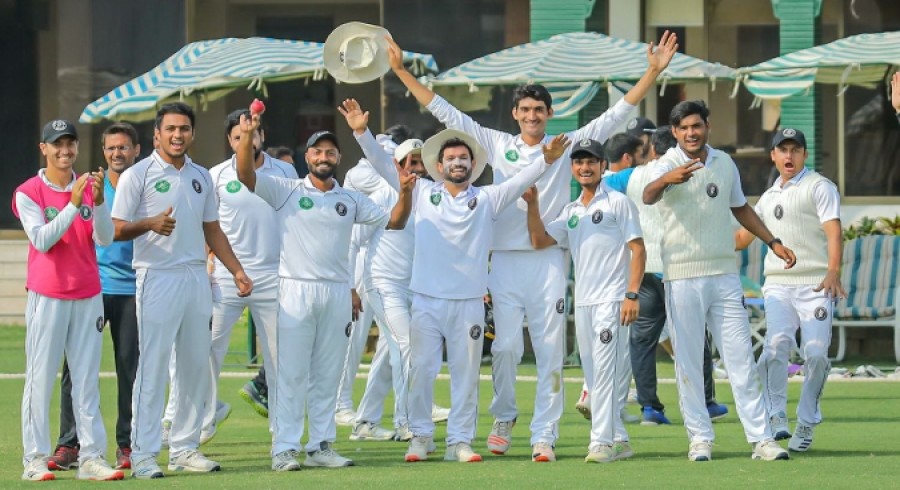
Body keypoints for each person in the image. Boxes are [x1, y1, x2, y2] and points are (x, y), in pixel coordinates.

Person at [385, 31, 679, 462]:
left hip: (548, 260)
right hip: (502, 262)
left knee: (548, 350)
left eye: (539, 110)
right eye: (524, 110)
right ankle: (504, 417)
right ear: (515, 114)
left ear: (549, 113)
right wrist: (399, 71)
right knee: (504, 347)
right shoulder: (496, 143)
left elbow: (619, 114)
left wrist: (652, 71)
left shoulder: (567, 145)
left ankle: (546, 433)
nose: (532, 117)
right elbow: (443, 110)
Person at [340, 97, 567, 464]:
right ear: (439, 165)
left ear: (473, 165)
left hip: (469, 302)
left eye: (464, 158)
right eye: (451, 159)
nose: (458, 162)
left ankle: (460, 441)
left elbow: (525, 177)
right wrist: (361, 131)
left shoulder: (489, 199)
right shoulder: (424, 194)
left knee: (465, 376)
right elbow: (385, 166)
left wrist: (548, 159)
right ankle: (420, 437)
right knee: (422, 371)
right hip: (427, 300)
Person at [234, 112, 413, 471]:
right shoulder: (286, 191)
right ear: (308, 157)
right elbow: (245, 176)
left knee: (328, 373)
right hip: (295, 291)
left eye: (330, 152)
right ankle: (284, 448)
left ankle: (320, 445)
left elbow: (395, 221)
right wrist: (247, 137)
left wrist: (406, 192)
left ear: (338, 158)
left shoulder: (350, 198)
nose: (323, 157)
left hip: (335, 293)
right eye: (317, 152)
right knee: (292, 373)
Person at [642, 100, 794, 462]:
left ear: (707, 126)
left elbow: (740, 207)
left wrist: (772, 241)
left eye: (697, 125)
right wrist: (668, 178)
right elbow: (648, 196)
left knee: (740, 358)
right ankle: (699, 439)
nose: (691, 133)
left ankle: (761, 439)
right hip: (681, 276)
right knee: (690, 363)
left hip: (724, 274)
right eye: (684, 128)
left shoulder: (724, 162)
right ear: (675, 132)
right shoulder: (665, 163)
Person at [112, 102, 253, 479]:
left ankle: (185, 448)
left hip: (195, 277)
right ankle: (142, 453)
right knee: (154, 366)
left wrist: (236, 270)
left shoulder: (202, 176)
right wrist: (150, 224)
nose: (178, 135)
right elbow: (117, 228)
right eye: (170, 129)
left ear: (192, 133)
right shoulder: (137, 175)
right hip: (156, 275)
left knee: (194, 367)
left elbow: (212, 230)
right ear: (157, 134)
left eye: (184, 129)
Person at [165, 109, 298, 442]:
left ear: (261, 136)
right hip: (226, 275)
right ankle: (204, 419)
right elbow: (208, 226)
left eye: (251, 134)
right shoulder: (215, 176)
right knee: (205, 350)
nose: (246, 141)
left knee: (280, 357)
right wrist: (212, 264)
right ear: (229, 140)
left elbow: (294, 221)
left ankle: (282, 435)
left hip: (274, 275)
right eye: (238, 136)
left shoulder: (285, 171)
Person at [12, 119, 124, 481]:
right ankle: (34, 459)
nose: (65, 151)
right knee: (41, 377)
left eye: (70, 144)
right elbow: (42, 240)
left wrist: (100, 202)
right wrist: (74, 204)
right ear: (43, 148)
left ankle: (91, 457)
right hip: (48, 295)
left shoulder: (90, 187)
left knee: (87, 379)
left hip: (88, 293)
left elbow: (105, 238)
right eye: (57, 144)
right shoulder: (29, 192)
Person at [525, 138, 645, 463]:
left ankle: (601, 443)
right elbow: (539, 240)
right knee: (592, 376)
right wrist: (533, 205)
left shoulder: (618, 202)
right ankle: (620, 438)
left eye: (591, 161)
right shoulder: (571, 211)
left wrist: (631, 294)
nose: (584, 167)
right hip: (584, 303)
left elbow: (638, 249)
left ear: (603, 166)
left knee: (605, 374)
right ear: (572, 168)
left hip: (613, 300)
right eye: (578, 162)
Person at [607, 126, 728, 426]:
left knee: (642, 341)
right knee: (694, 337)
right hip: (679, 267)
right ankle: (706, 401)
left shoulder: (631, 176)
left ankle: (651, 407)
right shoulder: (690, 170)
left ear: (650, 151)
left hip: (644, 268)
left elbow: (601, 183)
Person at [735, 128, 844, 452]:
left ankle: (807, 421)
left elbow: (834, 232)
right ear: (773, 156)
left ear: (804, 155)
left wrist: (833, 271)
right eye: (782, 150)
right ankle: (776, 415)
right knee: (776, 345)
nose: (788, 156)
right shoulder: (768, 197)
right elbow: (742, 239)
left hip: (816, 285)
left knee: (815, 354)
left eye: (795, 150)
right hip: (779, 284)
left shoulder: (820, 187)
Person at [48, 123, 142, 473]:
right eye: (111, 148)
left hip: (133, 289)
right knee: (75, 367)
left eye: (124, 147)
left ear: (136, 150)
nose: (117, 153)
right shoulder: (88, 186)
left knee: (130, 368)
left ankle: (128, 443)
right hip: (92, 287)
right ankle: (69, 443)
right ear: (103, 152)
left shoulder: (147, 184)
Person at [346, 137, 428, 442]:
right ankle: (406, 421)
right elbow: (353, 241)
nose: (417, 168)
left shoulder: (431, 196)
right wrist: (350, 288)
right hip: (383, 284)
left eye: (421, 162)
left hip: (414, 288)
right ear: (399, 165)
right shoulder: (382, 194)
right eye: (412, 162)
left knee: (390, 351)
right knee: (407, 345)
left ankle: (365, 421)